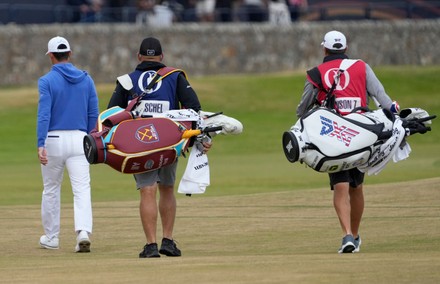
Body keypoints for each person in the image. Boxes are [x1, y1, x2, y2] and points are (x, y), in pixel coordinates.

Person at [107, 37, 212, 258]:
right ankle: (168, 240)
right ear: (162, 57)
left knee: (147, 191)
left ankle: (151, 245)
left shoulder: (126, 80)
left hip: (140, 145)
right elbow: (194, 108)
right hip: (169, 144)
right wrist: (197, 140)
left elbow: (111, 114)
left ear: (138, 57)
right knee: (166, 188)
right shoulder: (175, 76)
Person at [296, 30, 398, 253]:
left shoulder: (316, 73)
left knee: (340, 187)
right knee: (357, 187)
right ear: (345, 47)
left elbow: (303, 107)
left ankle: (347, 236)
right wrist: (395, 113)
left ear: (324, 49)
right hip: (363, 135)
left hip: (335, 136)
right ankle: (356, 234)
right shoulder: (362, 66)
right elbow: (382, 97)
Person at [37, 36, 99, 253]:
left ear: (51, 56)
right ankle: (83, 232)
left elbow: (44, 114)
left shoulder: (46, 81)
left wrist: (40, 143)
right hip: (80, 140)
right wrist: (93, 139)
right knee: (82, 189)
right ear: (70, 54)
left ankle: (52, 237)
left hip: (53, 140)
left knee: (51, 189)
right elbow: (93, 114)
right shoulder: (87, 79)